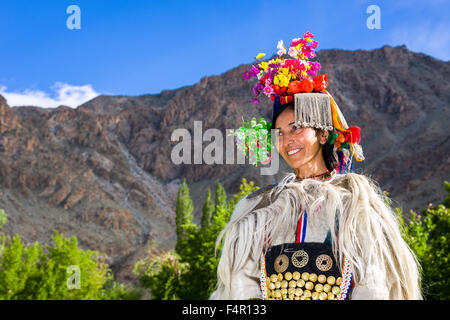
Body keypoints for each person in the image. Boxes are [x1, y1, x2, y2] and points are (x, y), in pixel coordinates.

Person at [210, 32, 421, 300]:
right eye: (280, 133)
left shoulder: (355, 206)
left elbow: (374, 281)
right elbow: (241, 286)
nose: (288, 141)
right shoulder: (259, 212)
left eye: (297, 127)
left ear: (323, 134)